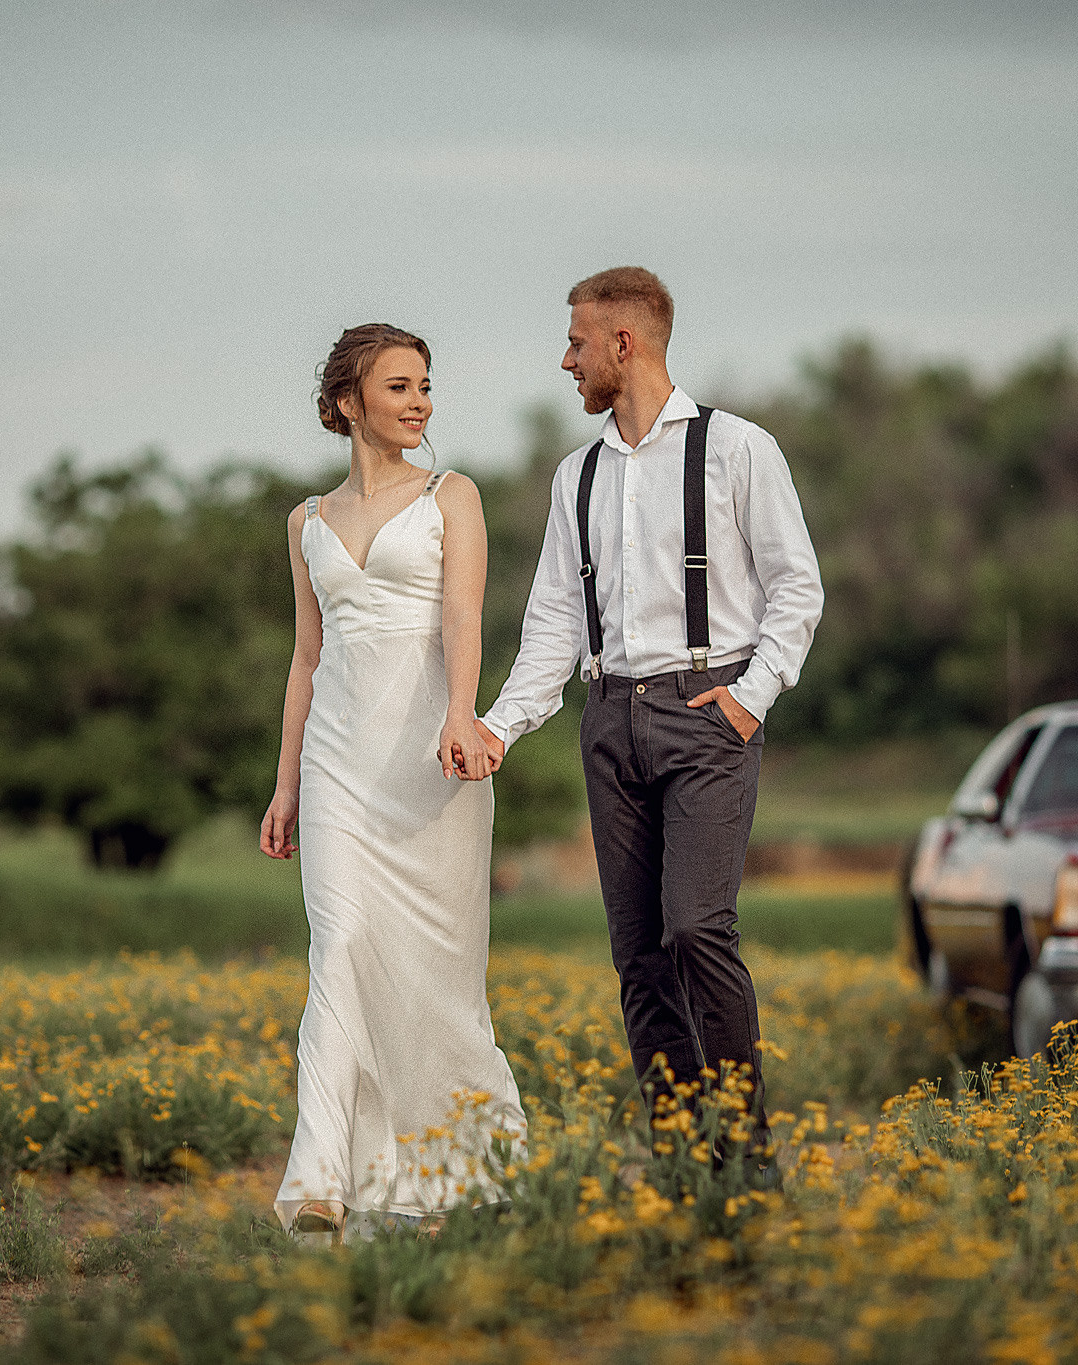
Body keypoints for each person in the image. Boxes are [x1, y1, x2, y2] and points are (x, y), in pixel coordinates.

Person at [476, 268, 823, 1174]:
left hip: (706, 712)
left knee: (698, 928)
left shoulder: (739, 449)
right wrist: (500, 727)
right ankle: (681, 1156)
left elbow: (798, 586)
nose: (567, 360)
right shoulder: (576, 475)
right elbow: (553, 620)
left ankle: (745, 1158)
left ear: (624, 344)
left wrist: (752, 696)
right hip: (609, 719)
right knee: (638, 957)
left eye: (578, 343)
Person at [261, 323, 527, 1244]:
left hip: (430, 761)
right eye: (399, 386)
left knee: (437, 979)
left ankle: (465, 1170)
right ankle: (324, 1181)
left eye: (425, 386)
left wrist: (465, 713)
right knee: (338, 948)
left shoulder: (453, 496)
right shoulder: (305, 522)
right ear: (348, 403)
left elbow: (465, 619)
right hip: (336, 762)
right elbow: (305, 656)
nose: (419, 402)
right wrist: (287, 783)